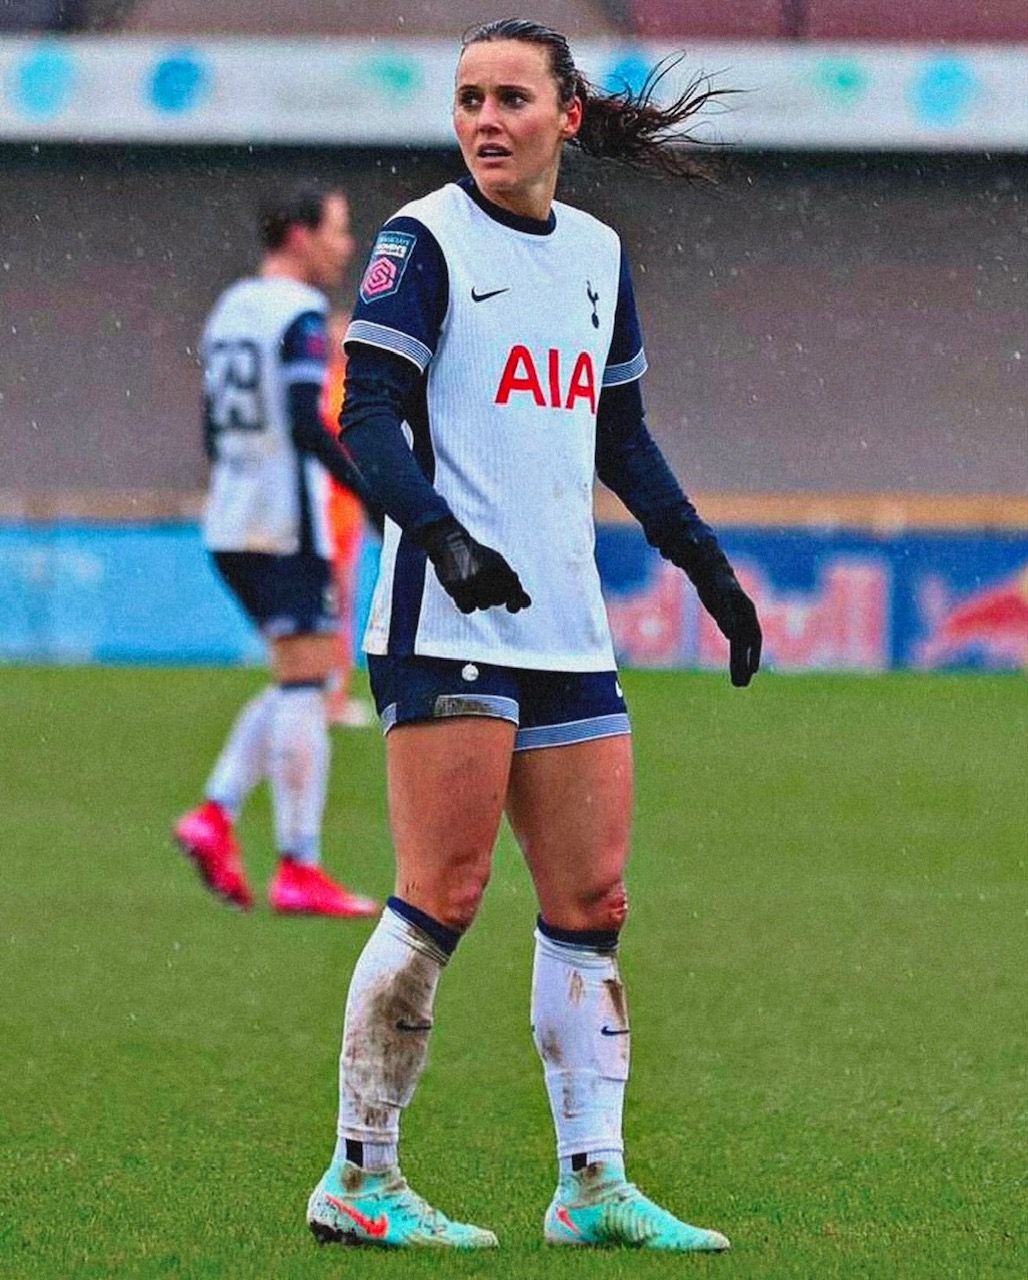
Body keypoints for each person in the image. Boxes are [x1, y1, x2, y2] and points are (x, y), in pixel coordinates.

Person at [306, 19, 761, 1250]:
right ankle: (359, 1174)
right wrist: (440, 534)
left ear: (566, 114)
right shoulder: (421, 240)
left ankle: (590, 1184)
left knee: (591, 898)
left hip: (565, 626)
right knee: (442, 892)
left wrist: (706, 567)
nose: (483, 120)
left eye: (509, 97)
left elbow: (621, 437)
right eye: (467, 99)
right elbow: (368, 413)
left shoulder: (599, 254)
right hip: (443, 615)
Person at [173, 186, 379, 920]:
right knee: (307, 686)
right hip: (285, 524)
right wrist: (369, 492)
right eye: (337, 231)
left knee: (300, 677)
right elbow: (305, 419)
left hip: (231, 518)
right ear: (298, 235)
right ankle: (298, 864)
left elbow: (211, 428)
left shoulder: (230, 307)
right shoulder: (299, 314)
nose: (345, 246)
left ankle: (217, 814)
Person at [319, 310, 376, 729]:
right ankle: (328, 697)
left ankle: (329, 695)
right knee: (336, 604)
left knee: (335, 605)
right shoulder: (338, 387)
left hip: (337, 508)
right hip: (333, 507)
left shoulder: (328, 384)